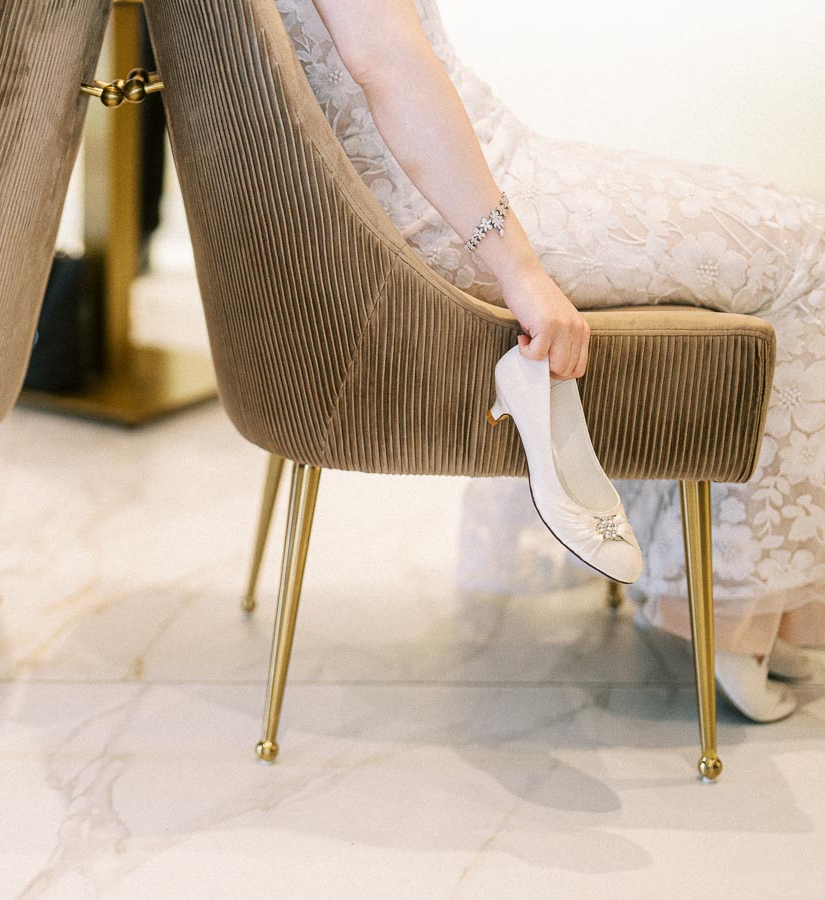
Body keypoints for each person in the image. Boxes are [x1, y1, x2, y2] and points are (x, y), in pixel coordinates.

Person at [279, 0, 823, 719]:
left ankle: (703, 588)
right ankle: (730, 613)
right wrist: (520, 270)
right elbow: (388, 61)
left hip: (441, 173)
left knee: (776, 231)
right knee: (808, 247)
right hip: (444, 200)